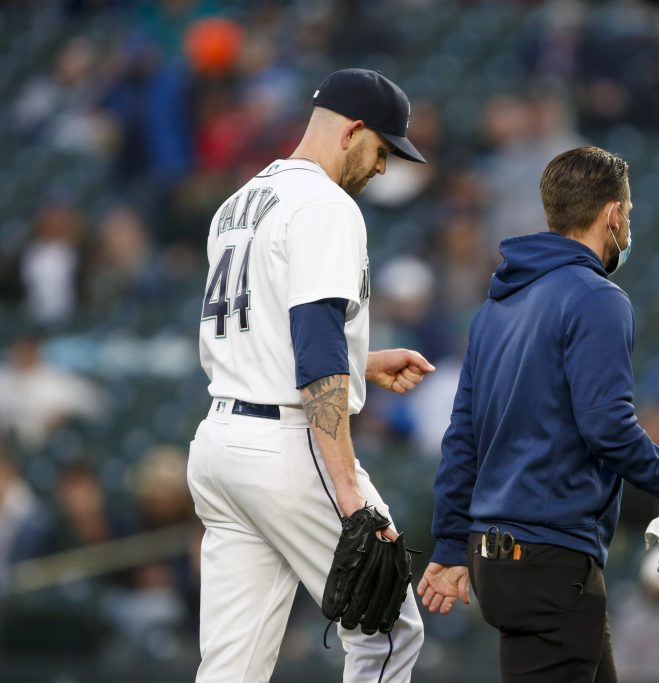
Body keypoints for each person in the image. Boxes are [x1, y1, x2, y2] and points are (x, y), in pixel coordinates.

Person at [417, 146, 659, 682]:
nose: (628, 228)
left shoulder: (496, 308)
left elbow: (462, 440)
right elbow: (608, 428)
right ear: (612, 214)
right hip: (550, 559)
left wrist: (452, 544)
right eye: (628, 215)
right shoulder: (597, 298)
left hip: (500, 558)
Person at [187, 68, 434, 683]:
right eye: (382, 150)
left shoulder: (240, 201)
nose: (383, 169)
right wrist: (347, 490)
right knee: (389, 629)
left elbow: (263, 330)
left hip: (221, 444)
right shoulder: (326, 204)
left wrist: (363, 364)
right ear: (352, 131)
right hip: (287, 447)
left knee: (230, 667)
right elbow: (317, 348)